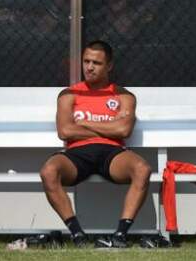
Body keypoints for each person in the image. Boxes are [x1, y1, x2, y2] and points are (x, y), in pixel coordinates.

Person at [39, 40, 152, 248]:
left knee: (142, 169)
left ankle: (120, 235)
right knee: (48, 171)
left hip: (112, 153)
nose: (89, 67)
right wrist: (109, 125)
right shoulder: (69, 94)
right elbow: (64, 131)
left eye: (96, 63)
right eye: (86, 61)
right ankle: (77, 235)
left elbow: (124, 130)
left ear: (109, 66)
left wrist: (85, 123)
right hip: (77, 154)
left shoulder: (123, 95)